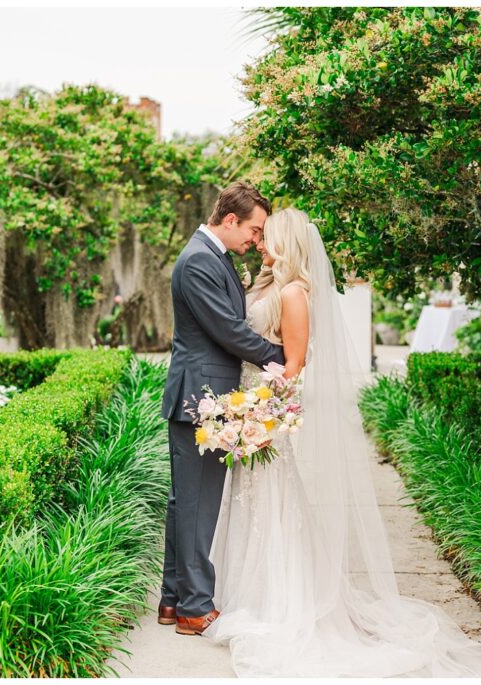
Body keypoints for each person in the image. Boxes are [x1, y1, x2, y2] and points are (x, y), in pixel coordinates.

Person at [201, 207, 481, 677]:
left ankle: (277, 600)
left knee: (271, 506)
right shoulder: (267, 282)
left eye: (268, 237)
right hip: (245, 404)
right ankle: (242, 591)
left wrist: (258, 413)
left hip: (259, 412)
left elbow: (294, 364)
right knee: (250, 506)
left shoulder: (293, 292)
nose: (261, 242)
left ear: (286, 242)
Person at [159, 182, 285, 636]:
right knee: (197, 505)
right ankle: (195, 608)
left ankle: (174, 599)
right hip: (201, 397)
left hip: (206, 393)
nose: (256, 240)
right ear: (230, 220)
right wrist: (283, 359)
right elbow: (229, 331)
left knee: (186, 503)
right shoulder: (198, 261)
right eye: (253, 230)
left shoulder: (214, 257)